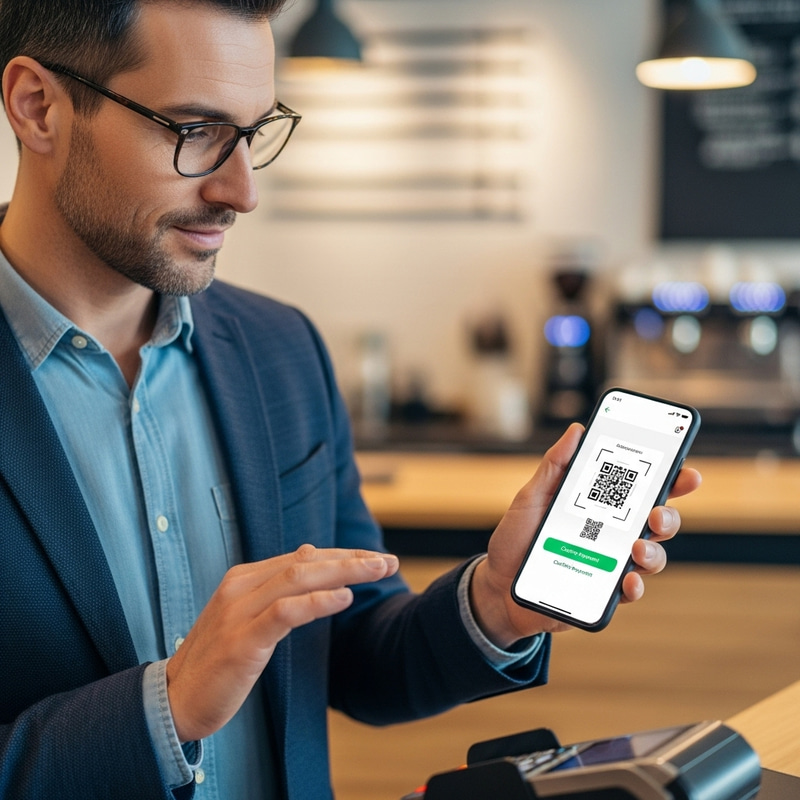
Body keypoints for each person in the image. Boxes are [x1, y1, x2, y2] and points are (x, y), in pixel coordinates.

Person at [0, 1, 701, 798]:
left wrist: (496, 603)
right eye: (193, 130)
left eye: (253, 133)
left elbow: (354, 656)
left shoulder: (278, 351)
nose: (241, 191)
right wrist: (164, 707)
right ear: (38, 106)